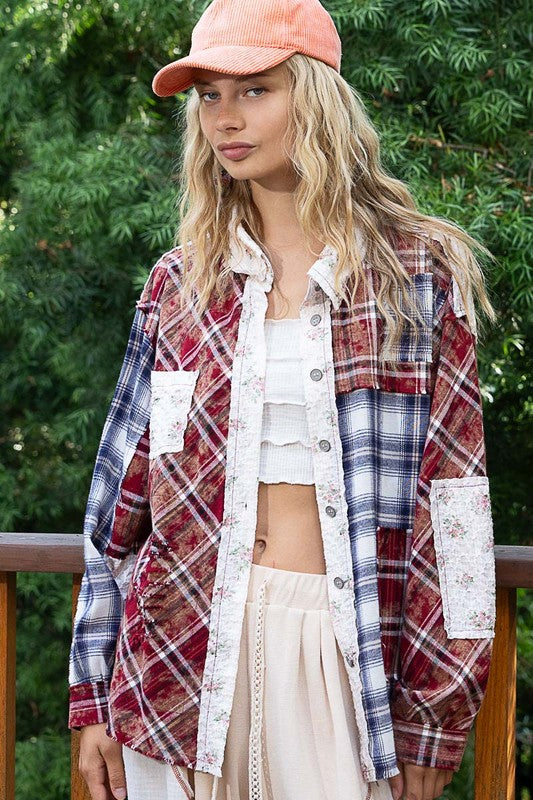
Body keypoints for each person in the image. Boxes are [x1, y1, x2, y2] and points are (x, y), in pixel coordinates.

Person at [67, 1, 498, 799]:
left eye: (254, 90)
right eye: (208, 96)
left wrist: (436, 716)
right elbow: (117, 507)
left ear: (315, 96)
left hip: (342, 654)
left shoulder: (416, 276)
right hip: (176, 656)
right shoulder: (180, 284)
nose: (225, 119)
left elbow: (458, 516)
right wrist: (96, 692)